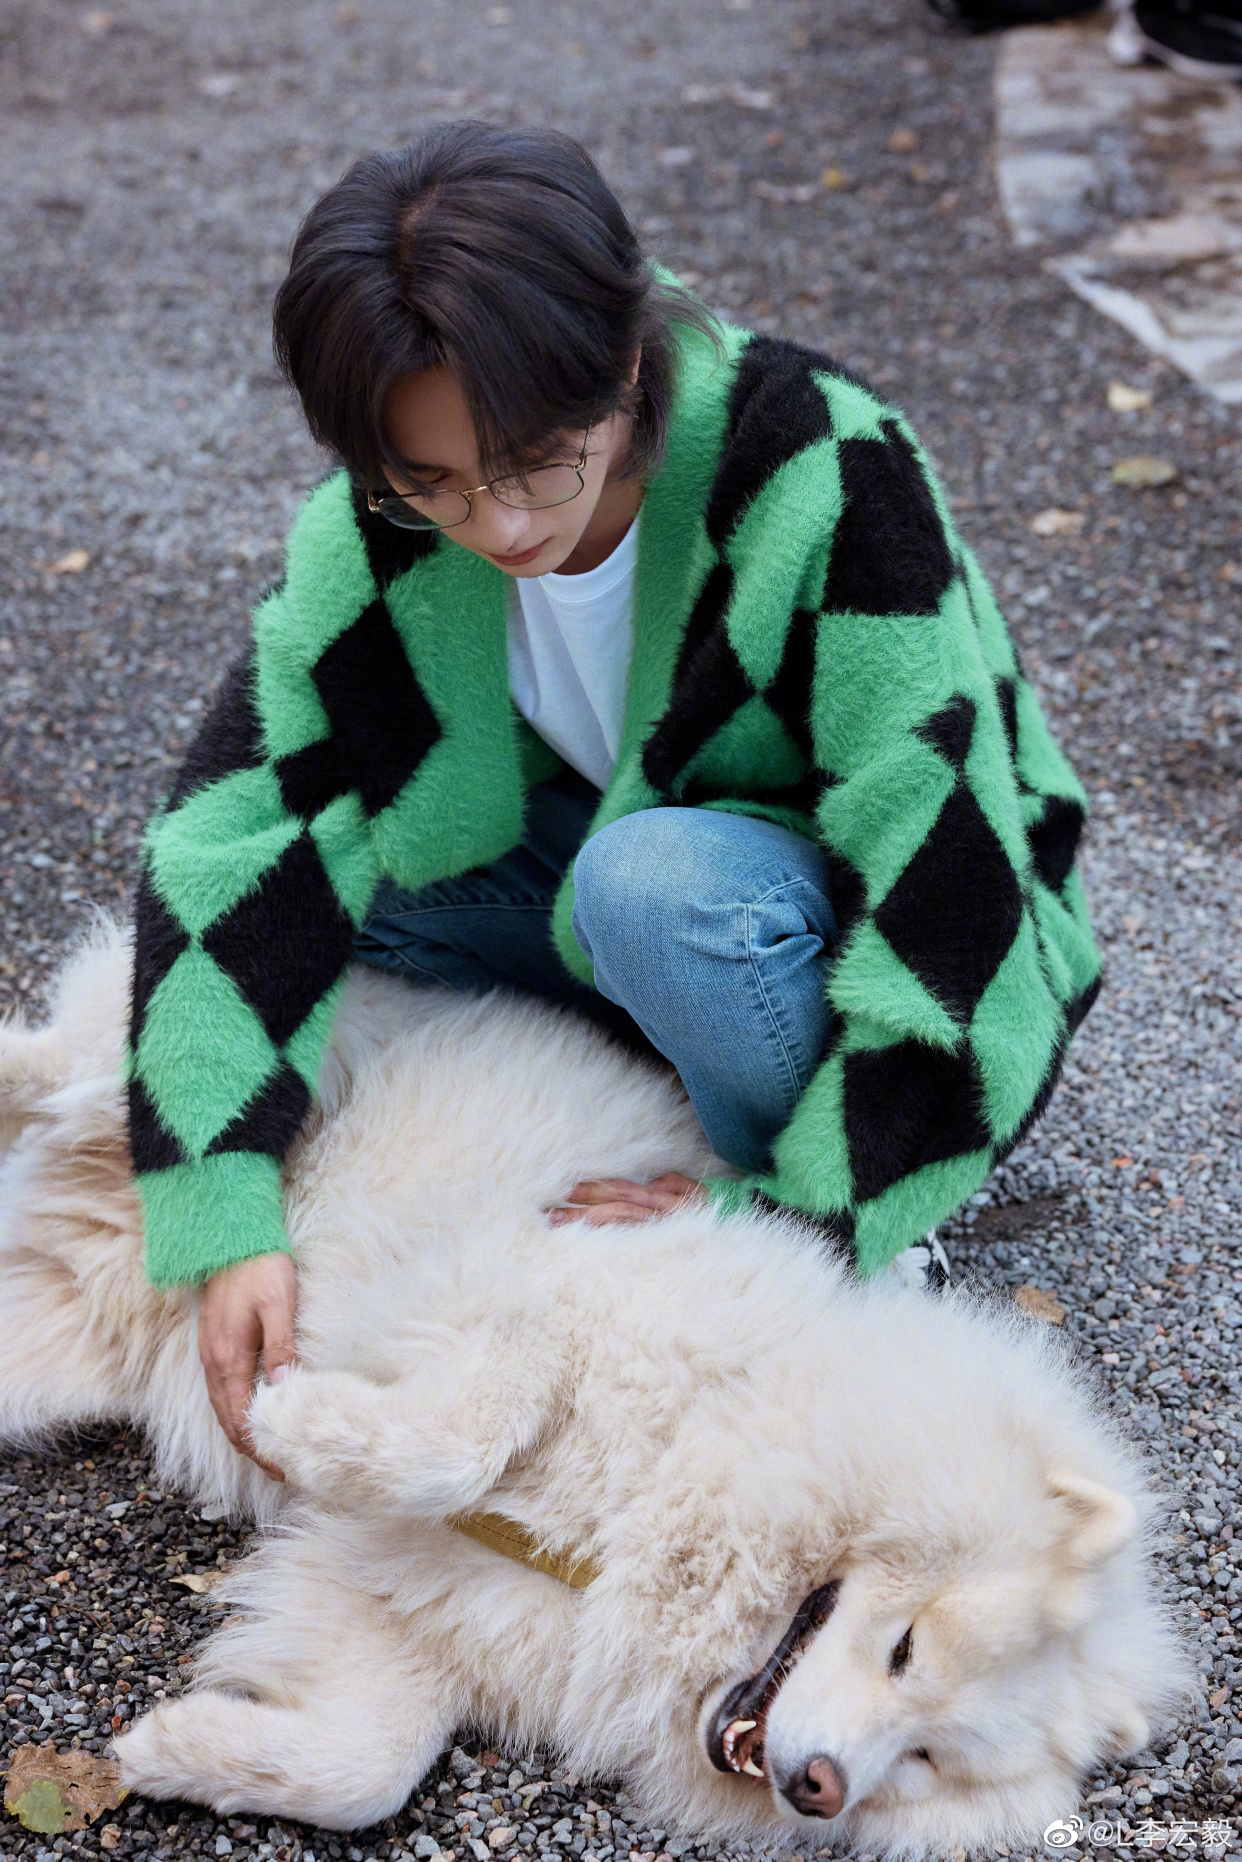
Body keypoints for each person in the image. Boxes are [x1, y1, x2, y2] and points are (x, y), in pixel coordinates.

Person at [127, 122, 1101, 1477]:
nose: (502, 526)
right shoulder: (380, 526)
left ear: (627, 363)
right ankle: (677, 1060)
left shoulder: (813, 464)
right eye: (434, 485)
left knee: (653, 893)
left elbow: (956, 883)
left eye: (532, 463)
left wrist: (806, 1221)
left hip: (841, 911)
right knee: (349, 872)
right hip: (634, 882)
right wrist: (221, 1210)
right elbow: (233, 830)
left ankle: (861, 1199)